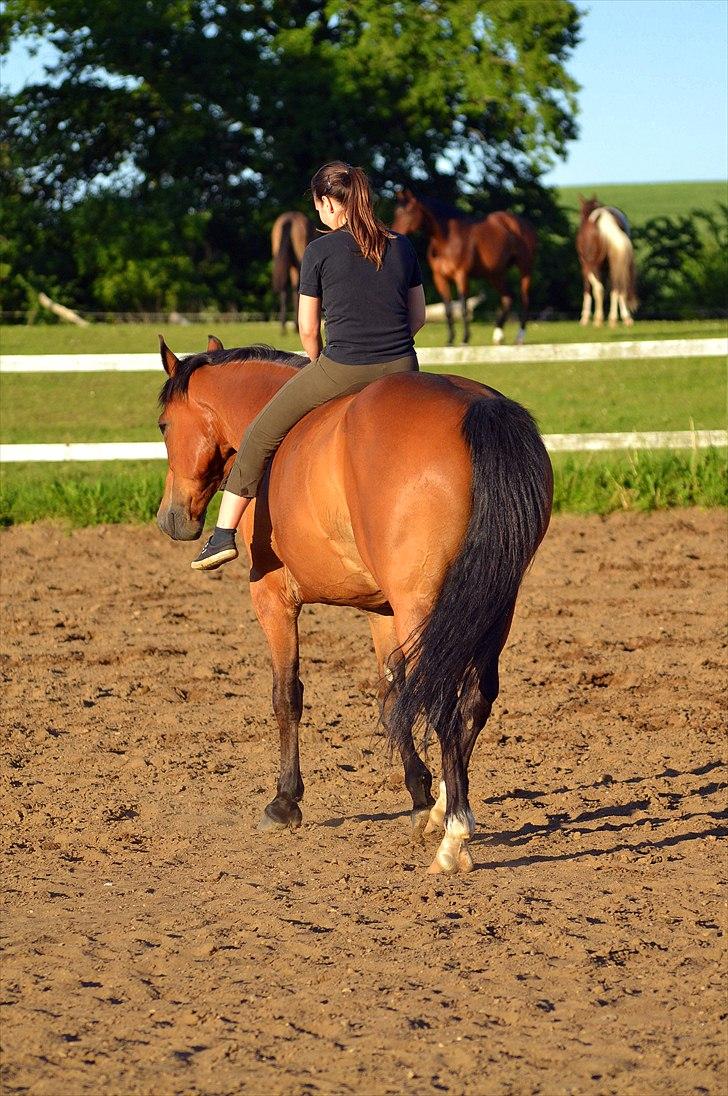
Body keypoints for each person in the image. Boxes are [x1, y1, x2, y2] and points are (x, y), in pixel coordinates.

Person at [191, 160, 427, 571]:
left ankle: (223, 535)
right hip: (404, 367)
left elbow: (306, 329)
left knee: (259, 433)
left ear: (328, 203)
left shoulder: (319, 251)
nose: (319, 213)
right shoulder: (402, 245)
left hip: (343, 366)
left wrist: (318, 364)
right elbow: (418, 316)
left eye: (318, 206)